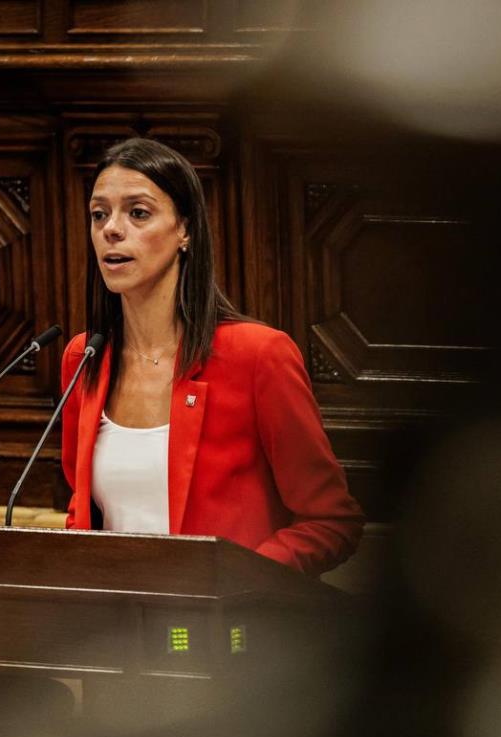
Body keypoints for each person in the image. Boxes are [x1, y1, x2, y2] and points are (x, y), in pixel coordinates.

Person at [60, 138, 362, 575]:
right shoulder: (85, 357)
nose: (111, 229)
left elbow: (331, 522)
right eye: (99, 214)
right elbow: (81, 509)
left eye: (138, 212)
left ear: (186, 229)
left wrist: (233, 583)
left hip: (224, 631)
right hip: (116, 632)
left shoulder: (258, 355)